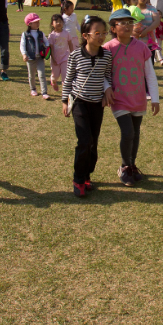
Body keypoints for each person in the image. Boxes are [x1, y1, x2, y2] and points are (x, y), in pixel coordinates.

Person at [104, 9, 160, 186]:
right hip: (119, 99)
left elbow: (149, 74)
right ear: (113, 28)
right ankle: (124, 166)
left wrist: (155, 98)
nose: (128, 26)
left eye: (130, 22)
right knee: (127, 132)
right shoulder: (108, 48)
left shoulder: (142, 47)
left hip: (139, 98)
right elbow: (103, 74)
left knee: (135, 134)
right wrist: (107, 88)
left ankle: (132, 164)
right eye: (123, 23)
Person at [61, 15, 114, 198]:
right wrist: (64, 101)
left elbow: (108, 76)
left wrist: (108, 89)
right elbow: (68, 80)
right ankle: (78, 179)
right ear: (86, 35)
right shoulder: (75, 55)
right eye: (97, 33)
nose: (101, 37)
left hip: (97, 104)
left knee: (93, 143)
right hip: (79, 102)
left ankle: (87, 175)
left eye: (104, 33)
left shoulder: (107, 55)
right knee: (83, 141)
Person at [20, 12, 51, 99]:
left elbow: (46, 41)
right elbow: (22, 45)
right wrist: (24, 54)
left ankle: (44, 92)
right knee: (32, 75)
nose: (38, 23)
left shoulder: (41, 33)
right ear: (29, 24)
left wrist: (47, 47)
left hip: (40, 58)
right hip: (30, 58)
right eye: (35, 22)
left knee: (42, 75)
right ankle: (33, 89)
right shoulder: (25, 35)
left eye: (38, 21)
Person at [48, 13, 77, 93]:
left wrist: (72, 54)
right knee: (55, 76)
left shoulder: (66, 33)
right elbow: (51, 48)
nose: (59, 23)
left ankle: (65, 92)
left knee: (65, 76)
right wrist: (53, 59)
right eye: (56, 21)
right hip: (55, 59)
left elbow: (70, 43)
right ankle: (53, 81)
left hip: (65, 57)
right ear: (52, 24)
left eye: (60, 21)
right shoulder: (52, 36)